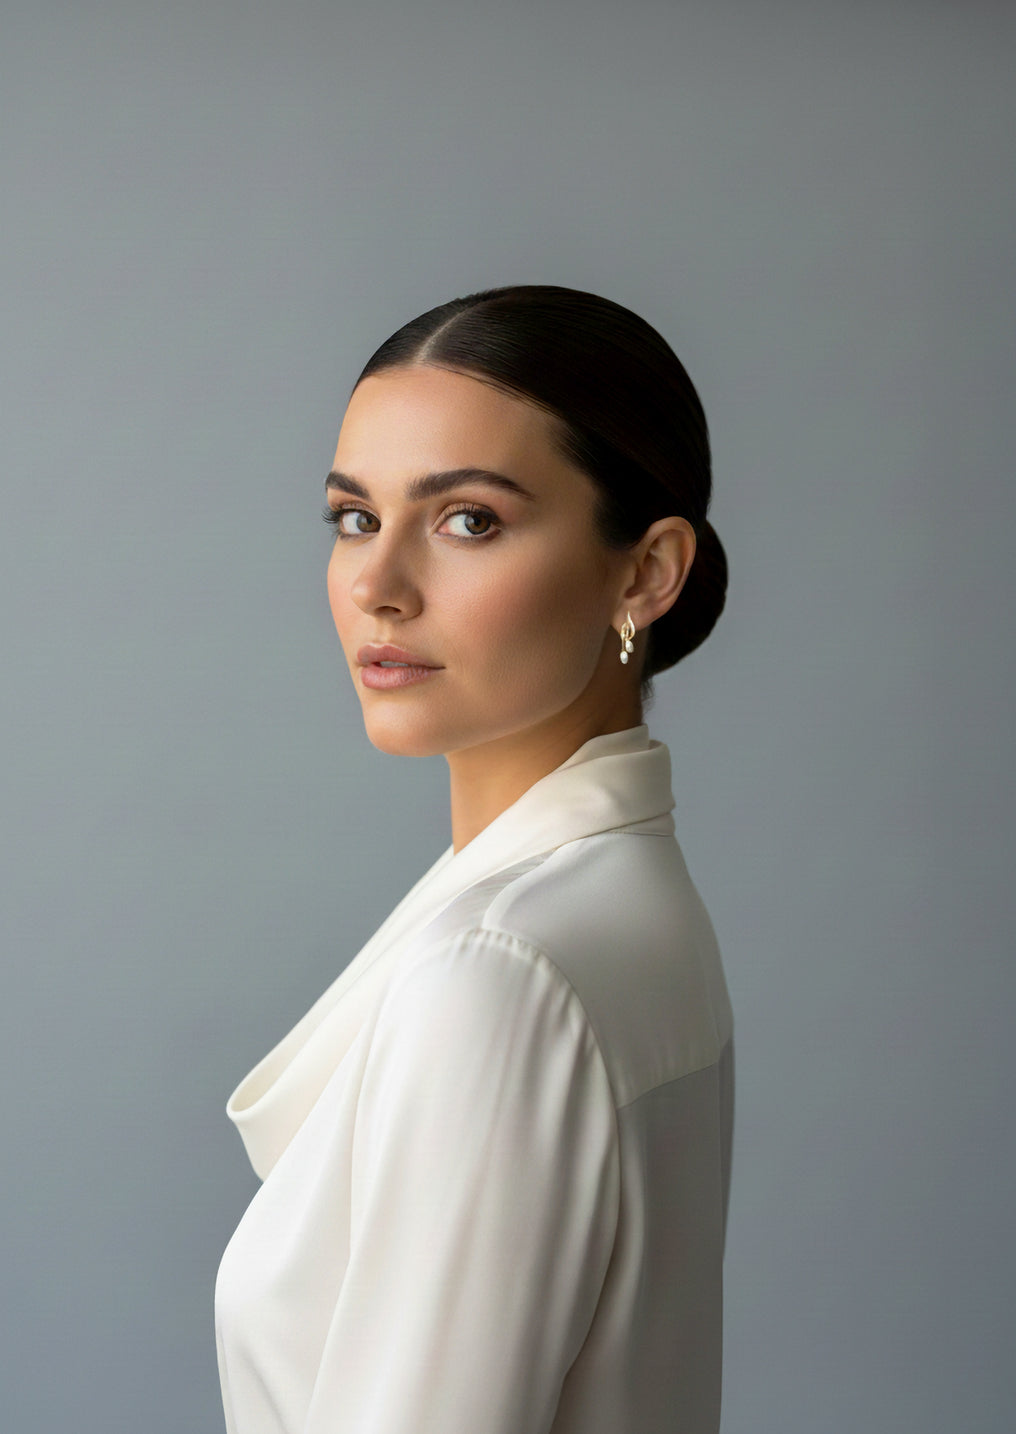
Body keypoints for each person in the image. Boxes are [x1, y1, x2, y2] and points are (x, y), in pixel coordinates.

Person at [214, 283, 734, 1434]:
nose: (377, 585)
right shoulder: (616, 904)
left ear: (646, 572)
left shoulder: (501, 974)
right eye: (355, 517)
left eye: (468, 521)